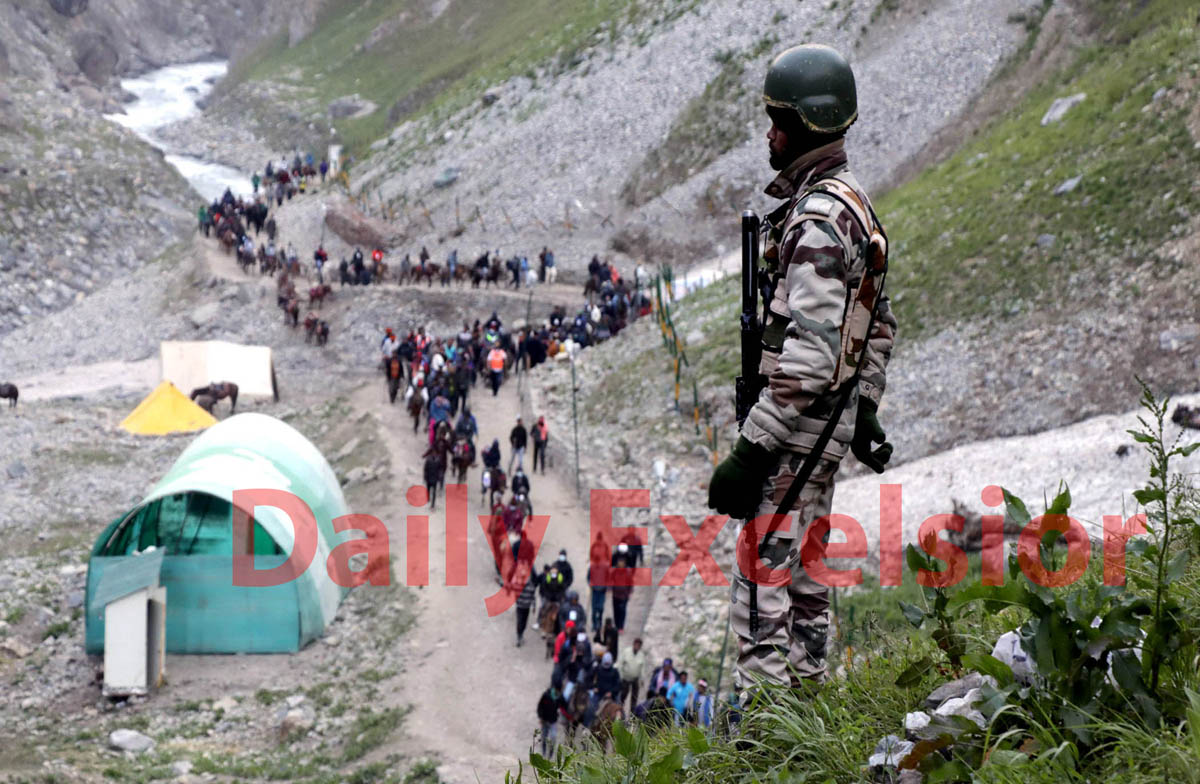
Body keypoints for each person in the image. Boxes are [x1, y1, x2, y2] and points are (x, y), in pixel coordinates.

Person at [706, 44, 896, 694]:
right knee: (809, 568)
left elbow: (810, 359)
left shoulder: (815, 222)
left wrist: (750, 451)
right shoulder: (851, 204)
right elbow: (877, 321)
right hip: (828, 423)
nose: (769, 133)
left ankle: (766, 725)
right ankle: (809, 699)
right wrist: (864, 406)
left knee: (762, 575)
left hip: (798, 428)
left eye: (778, 120)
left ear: (805, 125)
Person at [617, 637, 646, 715]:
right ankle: (620, 712)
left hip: (635, 679)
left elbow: (642, 668)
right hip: (625, 678)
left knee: (634, 697)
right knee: (623, 695)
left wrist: (642, 679)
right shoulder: (626, 652)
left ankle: (632, 715)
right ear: (633, 644)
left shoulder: (641, 655)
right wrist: (620, 676)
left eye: (639, 645)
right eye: (636, 644)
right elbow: (620, 664)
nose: (637, 646)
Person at [536, 685, 567, 757]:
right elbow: (540, 706)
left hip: (553, 721)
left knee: (553, 737)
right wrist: (540, 717)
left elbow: (564, 706)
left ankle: (551, 752)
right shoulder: (546, 695)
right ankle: (544, 751)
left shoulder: (560, 697)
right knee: (544, 736)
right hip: (545, 720)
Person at [610, 553, 633, 634]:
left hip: (624, 595)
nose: (620, 564)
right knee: (616, 610)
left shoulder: (628, 572)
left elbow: (630, 583)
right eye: (619, 562)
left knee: (622, 611)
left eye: (622, 562)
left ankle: (621, 627)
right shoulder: (614, 571)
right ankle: (616, 625)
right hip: (615, 594)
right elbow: (610, 580)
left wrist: (629, 592)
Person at [588, 553, 608, 632]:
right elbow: (588, 578)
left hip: (602, 591)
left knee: (600, 608)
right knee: (594, 609)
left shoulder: (605, 568)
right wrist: (590, 583)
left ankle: (599, 623)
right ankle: (594, 624)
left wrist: (606, 586)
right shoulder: (592, 568)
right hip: (595, 591)